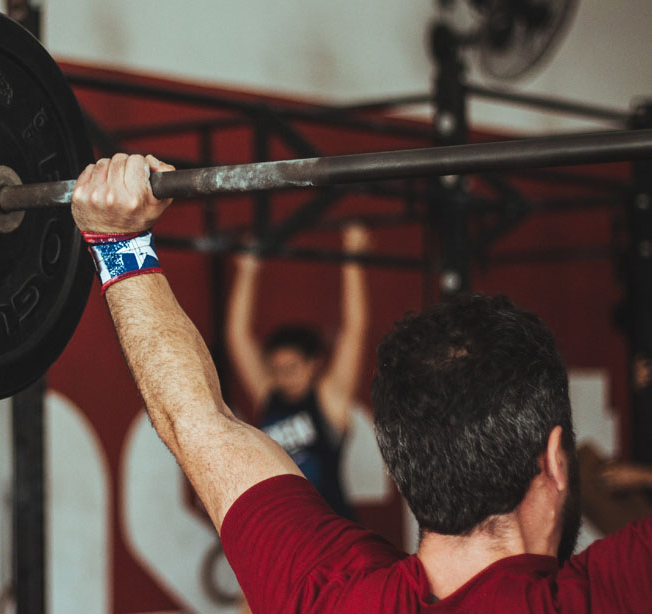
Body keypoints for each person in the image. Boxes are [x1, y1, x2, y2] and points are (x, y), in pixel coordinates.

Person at [71, 153, 651, 612]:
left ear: (402, 463)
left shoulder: (328, 595)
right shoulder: (614, 593)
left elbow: (195, 421)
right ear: (554, 457)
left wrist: (116, 241)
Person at [225, 226, 370, 520]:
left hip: (331, 529)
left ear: (313, 364)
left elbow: (354, 330)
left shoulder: (329, 399)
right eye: (275, 368)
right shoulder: (269, 394)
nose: (283, 376)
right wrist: (247, 270)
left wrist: (353, 259)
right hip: (287, 528)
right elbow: (238, 336)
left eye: (291, 368)